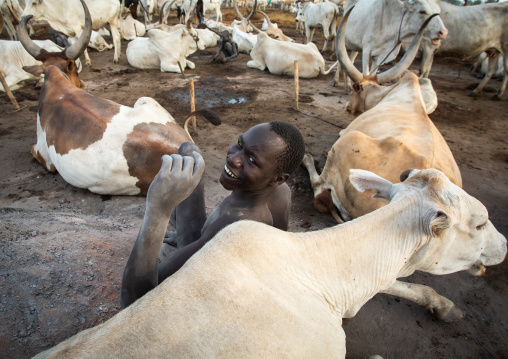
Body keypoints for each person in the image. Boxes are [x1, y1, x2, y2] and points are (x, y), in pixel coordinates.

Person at [120, 121, 306, 308]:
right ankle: (186, 240)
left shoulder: (236, 223)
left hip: (203, 270)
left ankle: (179, 235)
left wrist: (158, 211)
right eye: (240, 145)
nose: (234, 158)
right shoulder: (281, 191)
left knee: (186, 160)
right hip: (209, 247)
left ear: (278, 178)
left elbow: (136, 300)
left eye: (252, 160)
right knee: (188, 151)